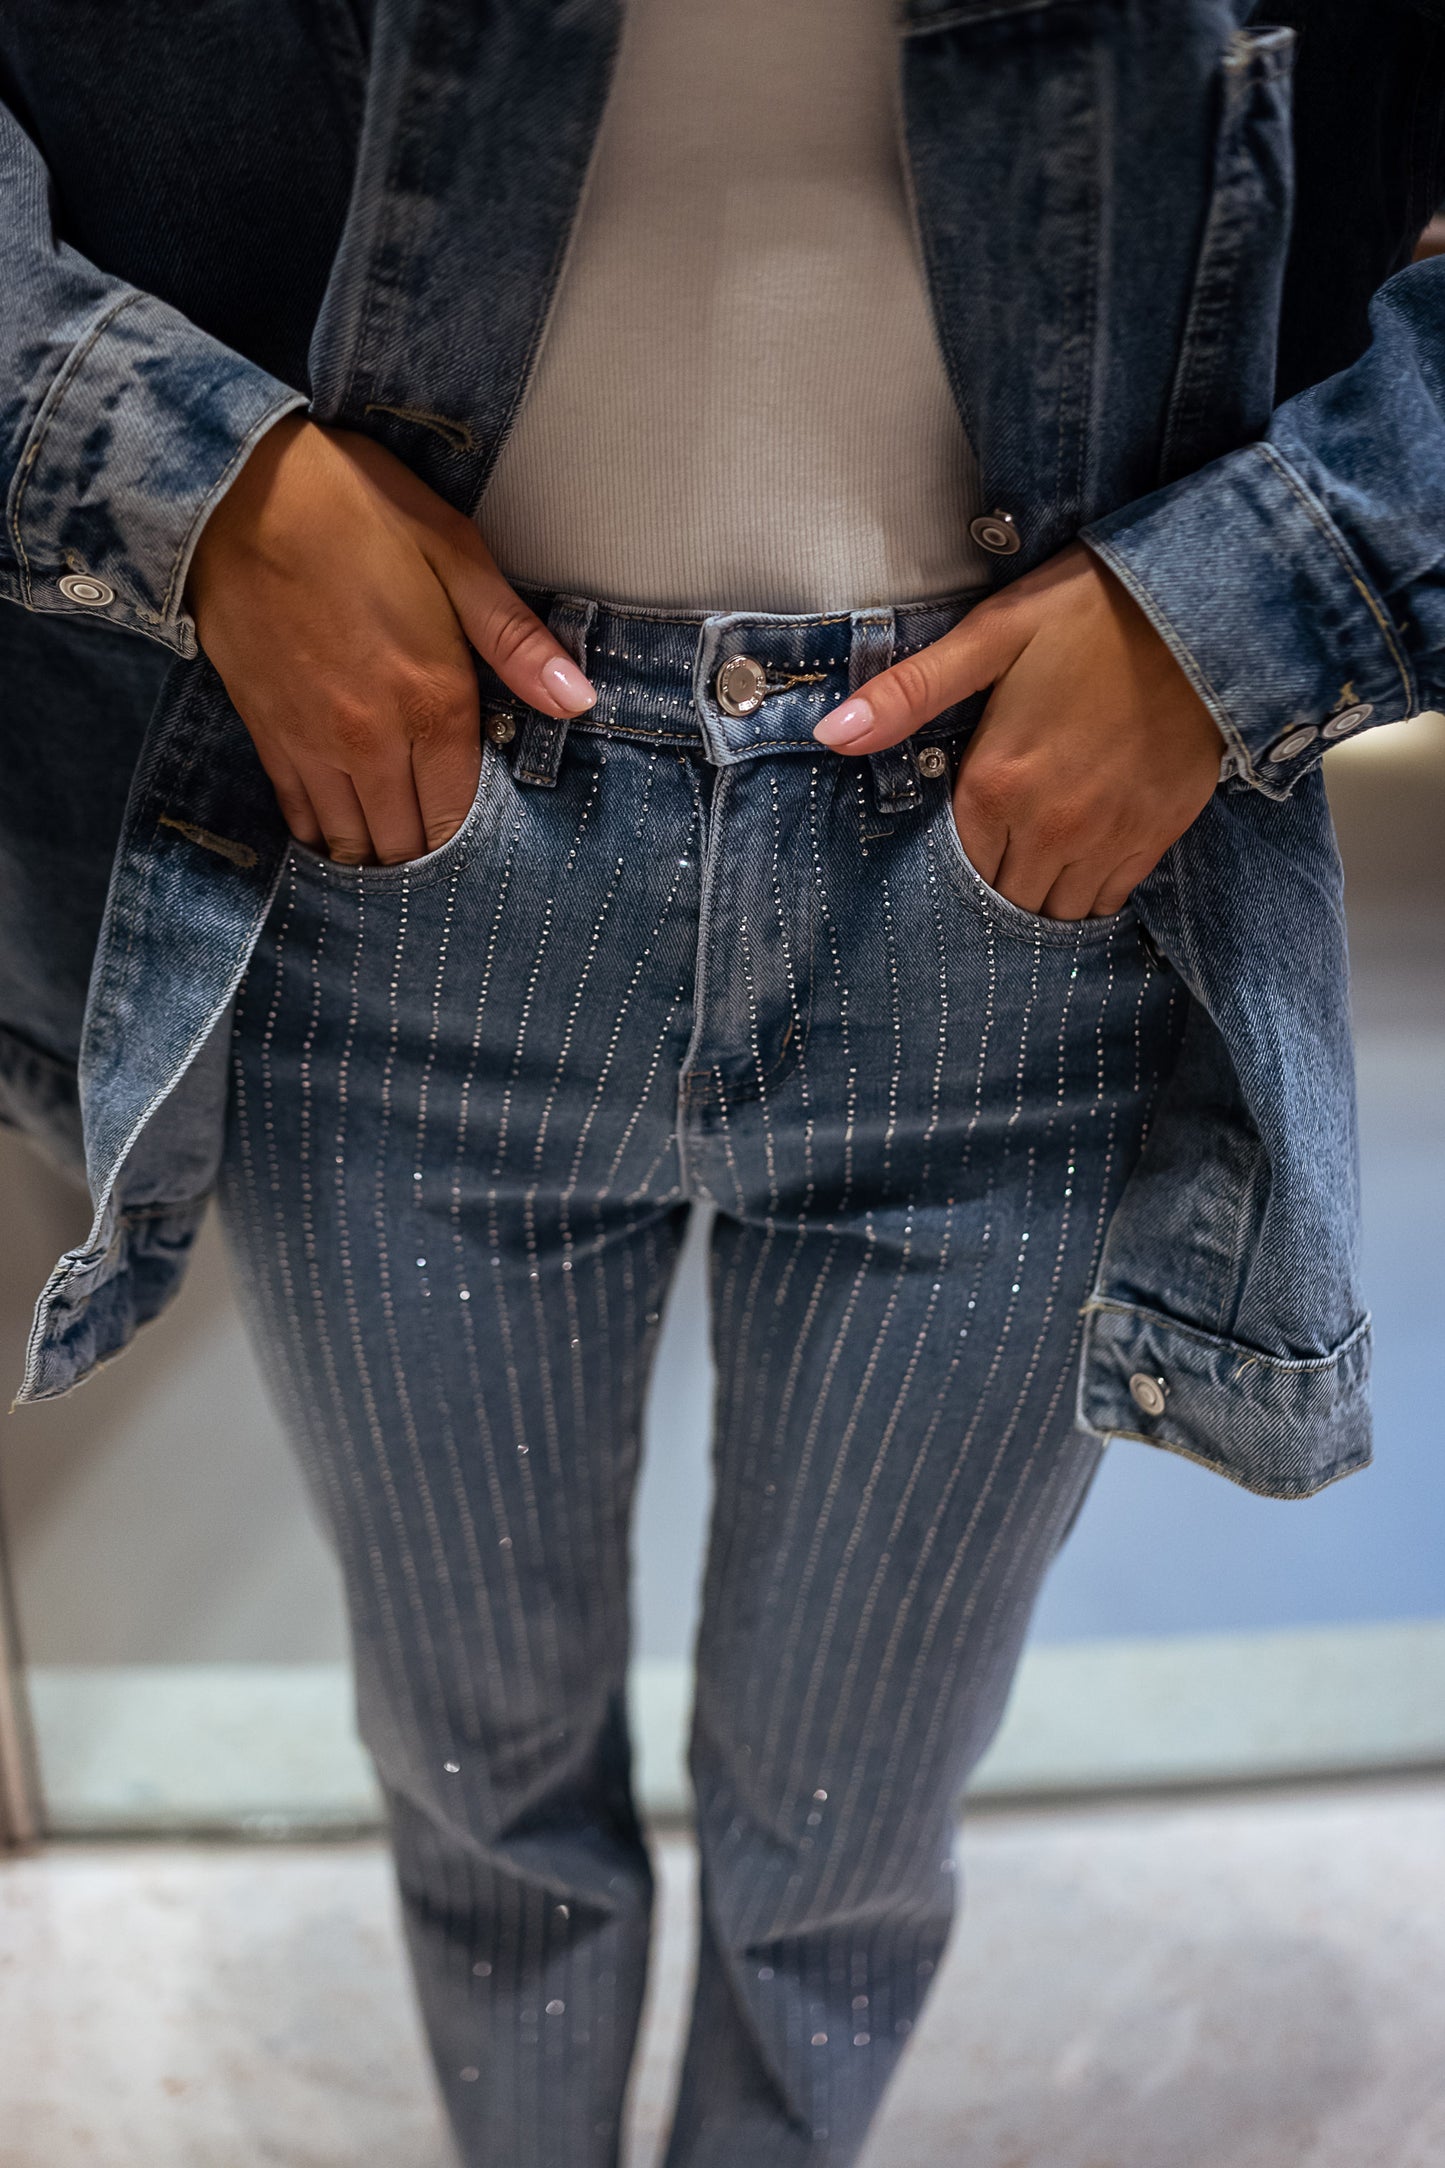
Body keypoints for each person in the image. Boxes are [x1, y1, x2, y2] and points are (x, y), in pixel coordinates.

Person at [1, 2, 1438, 2161]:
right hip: (398, 841)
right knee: (480, 1797)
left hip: (1022, 886)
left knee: (846, 1837)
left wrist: (1243, 609)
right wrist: (197, 491)